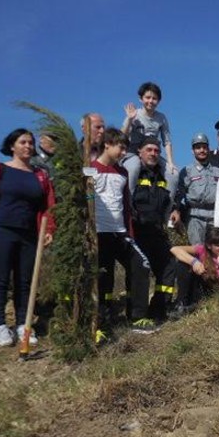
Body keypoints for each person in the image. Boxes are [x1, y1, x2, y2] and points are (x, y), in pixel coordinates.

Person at [0, 128, 56, 346]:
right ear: (12, 146)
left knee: (25, 281)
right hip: (1, 230)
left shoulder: (40, 175)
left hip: (29, 233)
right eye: (23, 142)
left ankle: (23, 324)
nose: (28, 146)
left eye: (31, 143)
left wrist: (49, 230)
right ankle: (0, 326)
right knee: (0, 279)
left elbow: (49, 206)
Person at [88, 129, 155, 334]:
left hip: (120, 232)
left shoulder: (122, 172)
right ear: (107, 144)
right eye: (121, 147)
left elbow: (126, 204)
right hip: (98, 233)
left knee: (141, 264)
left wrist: (129, 232)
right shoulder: (90, 169)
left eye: (126, 148)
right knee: (103, 277)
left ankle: (137, 316)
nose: (124, 152)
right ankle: (101, 322)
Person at [130, 136, 177, 322]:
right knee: (139, 271)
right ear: (139, 152)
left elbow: (168, 199)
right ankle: (136, 314)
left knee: (168, 266)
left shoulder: (163, 175)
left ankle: (159, 309)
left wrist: (175, 210)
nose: (153, 154)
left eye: (157, 150)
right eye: (149, 150)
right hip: (138, 230)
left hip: (158, 231)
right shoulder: (133, 173)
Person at [121, 82, 177, 197]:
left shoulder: (161, 118)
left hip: (153, 153)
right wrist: (129, 119)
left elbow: (167, 141)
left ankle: (168, 209)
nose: (150, 101)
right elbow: (122, 137)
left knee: (173, 174)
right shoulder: (135, 115)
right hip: (133, 153)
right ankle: (129, 203)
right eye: (147, 97)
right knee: (134, 167)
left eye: (154, 98)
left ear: (158, 101)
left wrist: (170, 162)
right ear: (141, 99)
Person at [172, 133, 219, 245]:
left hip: (214, 217)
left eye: (204, 147)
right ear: (192, 151)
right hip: (195, 217)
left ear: (208, 149)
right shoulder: (187, 171)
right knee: (197, 251)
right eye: (198, 147)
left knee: (215, 251)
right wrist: (176, 210)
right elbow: (180, 193)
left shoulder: (218, 172)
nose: (201, 150)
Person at [170, 226, 219, 308]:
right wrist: (194, 262)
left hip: (217, 294)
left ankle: (192, 305)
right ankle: (182, 303)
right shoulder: (202, 251)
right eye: (218, 245)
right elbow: (175, 249)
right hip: (201, 288)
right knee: (182, 264)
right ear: (209, 245)